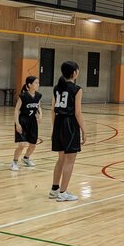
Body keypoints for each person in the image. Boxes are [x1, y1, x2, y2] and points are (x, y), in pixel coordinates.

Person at [49, 61, 86, 202]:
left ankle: (54, 189)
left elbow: (53, 110)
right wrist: (84, 130)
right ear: (74, 73)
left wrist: (54, 129)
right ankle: (63, 192)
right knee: (70, 160)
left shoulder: (56, 88)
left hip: (58, 123)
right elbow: (78, 113)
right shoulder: (77, 89)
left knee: (61, 159)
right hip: (69, 124)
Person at [10, 76, 42, 171]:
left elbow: (38, 106)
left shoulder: (38, 95)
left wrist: (40, 115)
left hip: (33, 122)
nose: (38, 85)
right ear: (29, 85)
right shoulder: (23, 96)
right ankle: (14, 162)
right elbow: (16, 110)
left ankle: (26, 158)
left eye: (38, 83)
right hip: (23, 121)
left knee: (33, 144)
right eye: (36, 83)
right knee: (22, 145)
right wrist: (17, 124)